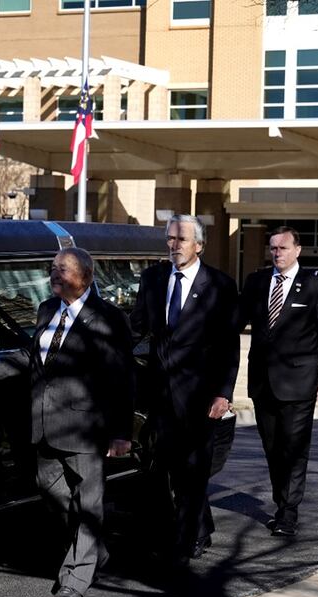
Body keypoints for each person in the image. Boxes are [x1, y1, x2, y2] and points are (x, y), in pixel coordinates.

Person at [130, 214, 239, 563]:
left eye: (181, 239)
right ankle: (199, 527)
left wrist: (224, 393)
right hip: (160, 394)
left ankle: (186, 539)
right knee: (168, 469)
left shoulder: (219, 285)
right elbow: (137, 328)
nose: (174, 245)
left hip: (200, 396)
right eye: (170, 239)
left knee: (193, 468)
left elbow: (228, 345)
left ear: (200, 245)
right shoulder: (153, 278)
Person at [29, 248, 133, 597]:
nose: (54, 275)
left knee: (89, 502)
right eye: (53, 269)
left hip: (87, 426)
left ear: (85, 277)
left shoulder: (108, 318)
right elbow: (38, 363)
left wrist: (121, 432)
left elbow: (122, 378)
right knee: (50, 488)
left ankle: (77, 576)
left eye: (63, 270)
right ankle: (95, 549)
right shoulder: (46, 310)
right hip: (45, 424)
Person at [239, 226, 318, 538]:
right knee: (273, 448)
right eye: (272, 248)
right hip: (262, 382)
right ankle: (280, 500)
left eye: (282, 248)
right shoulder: (256, 282)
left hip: (299, 381)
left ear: (298, 250)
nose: (276, 253)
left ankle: (288, 511)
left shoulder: (313, 286)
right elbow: (235, 321)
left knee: (294, 448)